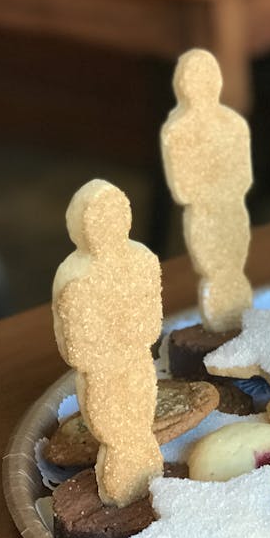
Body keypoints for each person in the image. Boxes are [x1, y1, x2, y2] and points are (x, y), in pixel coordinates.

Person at [53, 180, 163, 506]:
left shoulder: (142, 261)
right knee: (117, 431)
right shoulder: (77, 278)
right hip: (103, 370)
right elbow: (78, 348)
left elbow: (149, 324)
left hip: (136, 360)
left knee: (140, 421)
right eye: (102, 216)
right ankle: (124, 482)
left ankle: (142, 475)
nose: (112, 223)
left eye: (118, 212)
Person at [162, 49, 253, 333]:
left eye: (208, 77)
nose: (202, 85)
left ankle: (237, 314)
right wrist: (210, 194)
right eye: (195, 79)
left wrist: (225, 190)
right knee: (214, 266)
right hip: (205, 212)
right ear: (183, 85)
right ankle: (219, 316)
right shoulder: (178, 130)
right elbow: (184, 189)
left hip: (232, 207)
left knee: (234, 260)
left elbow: (242, 174)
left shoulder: (233, 124)